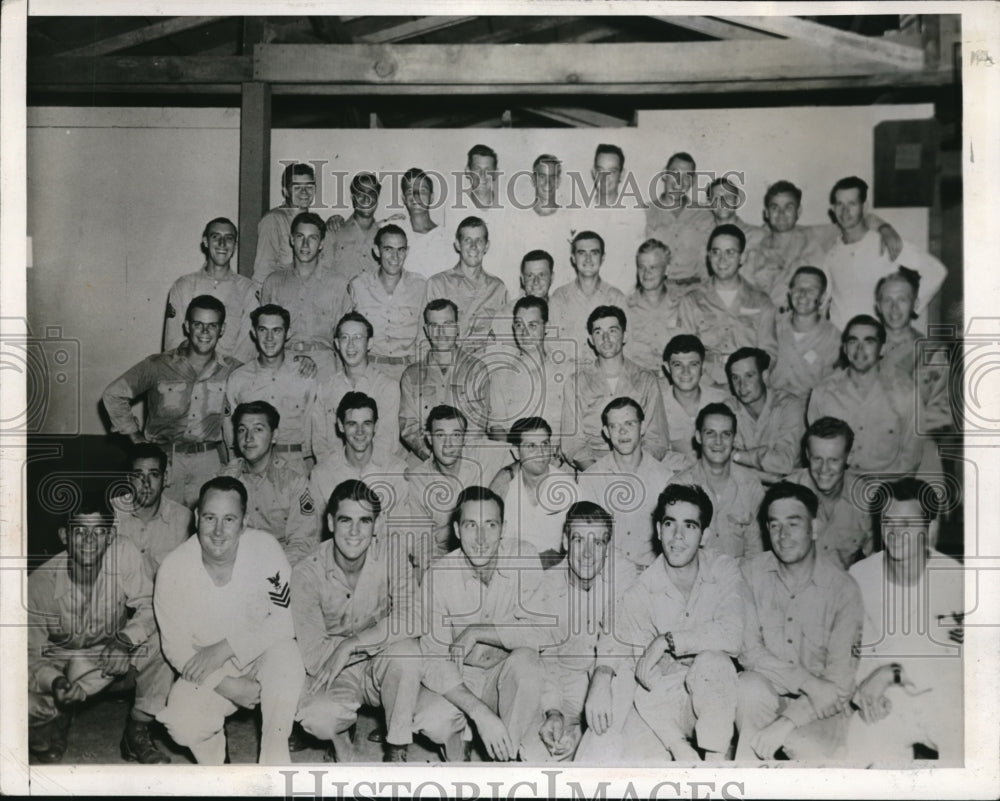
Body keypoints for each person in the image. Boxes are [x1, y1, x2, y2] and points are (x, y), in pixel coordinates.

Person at [576, 484, 744, 762]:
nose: (677, 537)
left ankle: (716, 766)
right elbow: (624, 651)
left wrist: (667, 641)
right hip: (661, 711)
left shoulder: (723, 569)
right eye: (670, 524)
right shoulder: (642, 589)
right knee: (637, 767)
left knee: (714, 662)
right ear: (658, 530)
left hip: (713, 704)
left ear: (705, 535)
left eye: (689, 526)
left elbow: (732, 635)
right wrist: (602, 676)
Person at [447, 501, 616, 761]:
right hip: (556, 691)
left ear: (607, 548)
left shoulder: (621, 584)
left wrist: (582, 731)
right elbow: (542, 656)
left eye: (598, 543)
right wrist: (554, 712)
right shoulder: (544, 585)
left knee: (602, 754)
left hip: (603, 692)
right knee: (534, 755)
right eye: (579, 540)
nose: (587, 553)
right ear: (565, 541)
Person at [155, 477, 305, 764]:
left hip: (261, 655)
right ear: (197, 517)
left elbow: (288, 618)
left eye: (230, 519)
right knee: (183, 724)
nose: (219, 531)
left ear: (245, 522)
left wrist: (227, 646)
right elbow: (176, 648)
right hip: (207, 668)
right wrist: (227, 684)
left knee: (288, 657)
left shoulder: (265, 548)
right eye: (210, 518)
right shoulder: (174, 568)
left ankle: (273, 765)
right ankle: (216, 765)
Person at [292, 479, 436, 762]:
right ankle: (342, 744)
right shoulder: (306, 572)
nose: (355, 532)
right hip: (334, 668)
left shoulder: (392, 555)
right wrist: (349, 650)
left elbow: (415, 617)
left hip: (380, 660)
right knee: (317, 718)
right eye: (346, 521)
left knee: (407, 651)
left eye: (364, 521)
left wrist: (352, 644)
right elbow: (311, 654)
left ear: (377, 526)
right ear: (331, 523)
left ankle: (396, 747)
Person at [28, 493, 173, 764]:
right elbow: (27, 655)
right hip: (63, 666)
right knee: (20, 708)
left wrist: (125, 640)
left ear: (110, 537)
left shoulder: (123, 553)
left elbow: (150, 607)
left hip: (114, 657)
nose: (89, 542)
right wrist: (55, 681)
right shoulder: (39, 584)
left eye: (98, 532)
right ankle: (57, 716)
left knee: (165, 643)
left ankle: (136, 731)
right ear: (64, 535)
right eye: (79, 532)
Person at [417, 486, 546, 761]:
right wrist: (480, 713)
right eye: (470, 525)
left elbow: (543, 632)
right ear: (456, 529)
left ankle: (507, 757)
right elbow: (432, 659)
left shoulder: (524, 557)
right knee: (432, 719)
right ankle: (460, 743)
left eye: (490, 525)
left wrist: (477, 631)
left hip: (505, 674)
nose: (480, 538)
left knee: (528, 665)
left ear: (503, 528)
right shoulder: (437, 576)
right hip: (462, 677)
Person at [736, 482, 864, 760]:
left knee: (805, 746)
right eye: (774, 525)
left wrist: (786, 723)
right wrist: (807, 682)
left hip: (821, 707)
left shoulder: (843, 589)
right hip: (774, 692)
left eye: (793, 524)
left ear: (814, 529)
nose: (782, 535)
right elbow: (749, 652)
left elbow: (840, 683)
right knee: (746, 688)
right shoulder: (750, 573)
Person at [846, 478, 963, 765]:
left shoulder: (955, 578)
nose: (896, 533)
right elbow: (856, 653)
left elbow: (956, 665)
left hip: (945, 700)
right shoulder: (860, 576)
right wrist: (866, 691)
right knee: (861, 742)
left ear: (929, 527)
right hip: (888, 698)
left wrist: (893, 672)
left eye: (908, 524)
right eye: (888, 521)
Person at [103, 295, 240, 507]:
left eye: (212, 325)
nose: (205, 332)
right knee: (164, 529)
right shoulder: (157, 365)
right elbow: (113, 394)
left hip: (209, 463)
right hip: (166, 463)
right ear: (186, 326)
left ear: (222, 329)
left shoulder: (233, 370)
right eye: (198, 324)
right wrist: (135, 437)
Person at [580, 397, 688, 594]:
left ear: (643, 427)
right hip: (607, 579)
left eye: (629, 423)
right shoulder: (590, 479)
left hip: (655, 581)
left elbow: (673, 539)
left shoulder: (665, 478)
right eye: (615, 426)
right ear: (606, 432)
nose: (622, 432)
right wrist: (626, 571)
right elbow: (588, 542)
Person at [745, 179, 902, 309]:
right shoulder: (755, 246)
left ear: (798, 212)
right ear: (766, 213)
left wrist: (884, 227)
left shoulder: (818, 236)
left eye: (788, 207)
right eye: (775, 208)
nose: (781, 214)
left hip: (813, 328)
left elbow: (853, 219)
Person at [823, 176, 946, 331]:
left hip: (879, 342)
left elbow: (936, 271)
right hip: (843, 344)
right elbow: (826, 299)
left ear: (864, 207)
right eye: (839, 204)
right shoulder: (831, 253)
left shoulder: (884, 242)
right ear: (833, 209)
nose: (845, 211)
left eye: (852, 204)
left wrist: (908, 310)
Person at [807, 315, 923, 475]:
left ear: (882, 349)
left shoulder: (905, 393)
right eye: (853, 341)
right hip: (839, 487)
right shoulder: (822, 393)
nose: (860, 349)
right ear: (845, 348)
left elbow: (910, 459)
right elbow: (817, 452)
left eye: (869, 341)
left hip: (887, 488)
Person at [560, 305, 670, 470]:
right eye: (598, 332)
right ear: (591, 340)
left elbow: (657, 440)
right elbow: (572, 443)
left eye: (612, 331)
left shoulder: (646, 380)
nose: (605, 338)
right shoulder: (576, 383)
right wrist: (598, 475)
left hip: (639, 467)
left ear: (624, 336)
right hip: (593, 467)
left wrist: (633, 471)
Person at [403, 405, 504, 577]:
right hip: (443, 564)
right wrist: (452, 576)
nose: (449, 444)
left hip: (486, 554)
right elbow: (421, 545)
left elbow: (525, 451)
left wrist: (506, 474)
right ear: (428, 438)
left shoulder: (481, 456)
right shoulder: (417, 480)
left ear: (464, 438)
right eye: (441, 435)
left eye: (456, 435)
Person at [217, 401, 320, 567]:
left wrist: (267, 572)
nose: (248, 438)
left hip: (280, 570)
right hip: (235, 567)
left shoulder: (294, 482)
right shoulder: (224, 481)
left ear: (274, 435)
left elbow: (302, 544)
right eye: (242, 430)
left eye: (258, 429)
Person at [678, 223, 777, 388]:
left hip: (749, 386)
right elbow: (686, 354)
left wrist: (747, 383)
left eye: (730, 252)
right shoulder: (692, 300)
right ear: (708, 256)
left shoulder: (761, 302)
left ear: (742, 258)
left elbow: (769, 353)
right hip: (705, 385)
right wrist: (711, 384)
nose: (722, 260)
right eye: (716, 252)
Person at [224, 303, 319, 475]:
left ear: (288, 334)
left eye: (276, 330)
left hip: (295, 464)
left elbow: (313, 426)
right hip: (252, 465)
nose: (269, 338)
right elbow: (230, 432)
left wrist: (310, 468)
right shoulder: (238, 378)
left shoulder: (304, 374)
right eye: (263, 330)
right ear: (253, 332)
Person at [260, 211, 352, 375]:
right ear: (291, 239)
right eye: (300, 236)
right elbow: (265, 335)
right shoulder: (273, 282)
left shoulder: (338, 284)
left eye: (312, 238)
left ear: (322, 243)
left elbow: (344, 336)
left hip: (324, 365)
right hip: (283, 363)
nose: (305, 244)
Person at [399, 299, 492, 459]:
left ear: (457, 328)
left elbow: (479, 425)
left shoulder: (476, 370)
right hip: (425, 461)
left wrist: (455, 460)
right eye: (434, 326)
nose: (441, 333)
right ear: (427, 330)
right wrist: (432, 457)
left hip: (467, 460)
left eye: (447, 324)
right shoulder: (411, 375)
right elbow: (409, 427)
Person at [671, 403, 765, 559]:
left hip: (740, 578)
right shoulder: (680, 485)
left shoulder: (751, 485)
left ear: (734, 439)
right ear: (699, 437)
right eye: (710, 433)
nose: (718, 441)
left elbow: (756, 551)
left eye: (726, 434)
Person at [164, 217, 259, 363]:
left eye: (229, 238)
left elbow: (246, 350)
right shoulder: (183, 286)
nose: (222, 243)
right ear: (206, 242)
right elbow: (173, 344)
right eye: (216, 237)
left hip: (230, 376)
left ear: (235, 245)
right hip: (189, 374)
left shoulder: (248, 291)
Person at [310, 311, 401, 463]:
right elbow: (319, 444)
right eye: (345, 338)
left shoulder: (387, 387)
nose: (351, 345)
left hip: (374, 474)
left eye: (358, 338)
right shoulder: (325, 388)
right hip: (334, 474)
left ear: (370, 343)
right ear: (337, 344)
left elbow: (387, 444)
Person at [309, 392, 409, 526]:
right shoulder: (321, 474)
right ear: (340, 425)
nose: (360, 431)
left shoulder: (397, 470)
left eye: (367, 423)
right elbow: (315, 532)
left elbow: (401, 531)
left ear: (376, 426)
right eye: (352, 424)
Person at [488, 416, 577, 566]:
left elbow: (578, 543)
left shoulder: (567, 487)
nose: (541, 452)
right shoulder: (503, 487)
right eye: (531, 446)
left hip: (555, 574)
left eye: (544, 444)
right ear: (516, 452)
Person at [787, 417, 873, 569]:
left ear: (849, 457)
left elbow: (876, 560)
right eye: (817, 459)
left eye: (833, 460)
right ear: (807, 455)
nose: (824, 469)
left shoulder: (866, 499)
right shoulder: (786, 494)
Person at [346, 223, 428, 381]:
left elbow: (424, 336)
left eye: (401, 250)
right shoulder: (358, 285)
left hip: (408, 372)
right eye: (388, 249)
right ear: (377, 251)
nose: (395, 258)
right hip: (369, 370)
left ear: (407, 251)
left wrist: (420, 370)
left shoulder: (420, 286)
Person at [485, 296, 572, 444]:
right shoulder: (501, 375)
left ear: (547, 328)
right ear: (513, 327)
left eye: (532, 325)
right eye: (519, 325)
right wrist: (517, 456)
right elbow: (496, 428)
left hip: (559, 461)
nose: (524, 333)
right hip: (517, 459)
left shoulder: (567, 371)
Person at [876, 268, 952, 434]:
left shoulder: (932, 352)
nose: (894, 308)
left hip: (916, 448)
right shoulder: (863, 350)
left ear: (915, 305)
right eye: (887, 300)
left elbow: (943, 415)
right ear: (878, 306)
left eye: (902, 300)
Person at [424, 216, 508, 354]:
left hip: (486, 365)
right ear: (457, 244)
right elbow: (425, 337)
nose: (473, 246)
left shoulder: (498, 288)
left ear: (487, 245)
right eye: (467, 240)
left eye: (479, 241)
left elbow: (504, 334)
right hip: (450, 364)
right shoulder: (438, 284)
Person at [112, 442, 192, 582]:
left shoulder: (183, 519)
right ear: (129, 479)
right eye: (139, 475)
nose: (146, 483)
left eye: (154, 474)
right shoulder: (111, 512)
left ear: (165, 478)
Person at [724, 347, 805, 481]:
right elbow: (720, 463)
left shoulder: (789, 406)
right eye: (735, 378)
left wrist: (736, 456)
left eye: (749, 376)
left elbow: (784, 463)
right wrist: (769, 477)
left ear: (765, 376)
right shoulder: (728, 409)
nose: (742, 385)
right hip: (745, 489)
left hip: (787, 491)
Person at [547, 231, 627, 367]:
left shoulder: (616, 297)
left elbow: (625, 344)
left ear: (603, 258)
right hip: (568, 375)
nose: (588, 259)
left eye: (594, 253)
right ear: (573, 258)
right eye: (582, 253)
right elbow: (551, 346)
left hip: (605, 375)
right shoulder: (559, 297)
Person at [767, 266, 842, 399]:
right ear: (790, 293)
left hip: (808, 412)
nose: (803, 294)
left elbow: (834, 389)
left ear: (823, 297)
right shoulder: (772, 326)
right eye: (798, 288)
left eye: (811, 290)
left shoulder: (835, 339)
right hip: (770, 406)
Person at [644, 152, 717, 289]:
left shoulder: (705, 214)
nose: (679, 182)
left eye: (686, 176)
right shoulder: (645, 213)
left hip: (696, 291)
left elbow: (709, 261)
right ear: (664, 175)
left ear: (693, 181)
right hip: (658, 291)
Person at [658, 335, 728, 458]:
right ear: (668, 368)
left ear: (703, 366)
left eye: (693, 364)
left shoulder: (723, 401)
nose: (686, 372)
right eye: (678, 365)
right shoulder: (657, 407)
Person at [624, 239, 686, 372]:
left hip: (674, 383)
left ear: (666, 269)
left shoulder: (683, 305)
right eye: (642, 267)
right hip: (639, 384)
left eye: (653, 267)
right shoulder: (626, 307)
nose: (646, 273)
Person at [253, 162, 318, 283]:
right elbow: (262, 273)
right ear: (285, 191)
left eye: (309, 186)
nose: (304, 192)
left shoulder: (315, 223)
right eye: (297, 187)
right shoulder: (274, 220)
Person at [395, 167, 454, 281]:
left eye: (422, 191)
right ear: (404, 198)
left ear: (431, 197)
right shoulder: (395, 231)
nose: (416, 196)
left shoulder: (446, 238)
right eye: (409, 191)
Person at [487, 249, 556, 343]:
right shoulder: (506, 315)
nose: (536, 282)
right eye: (530, 276)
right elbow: (496, 355)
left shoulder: (562, 311)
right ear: (523, 279)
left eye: (542, 275)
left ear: (552, 277)